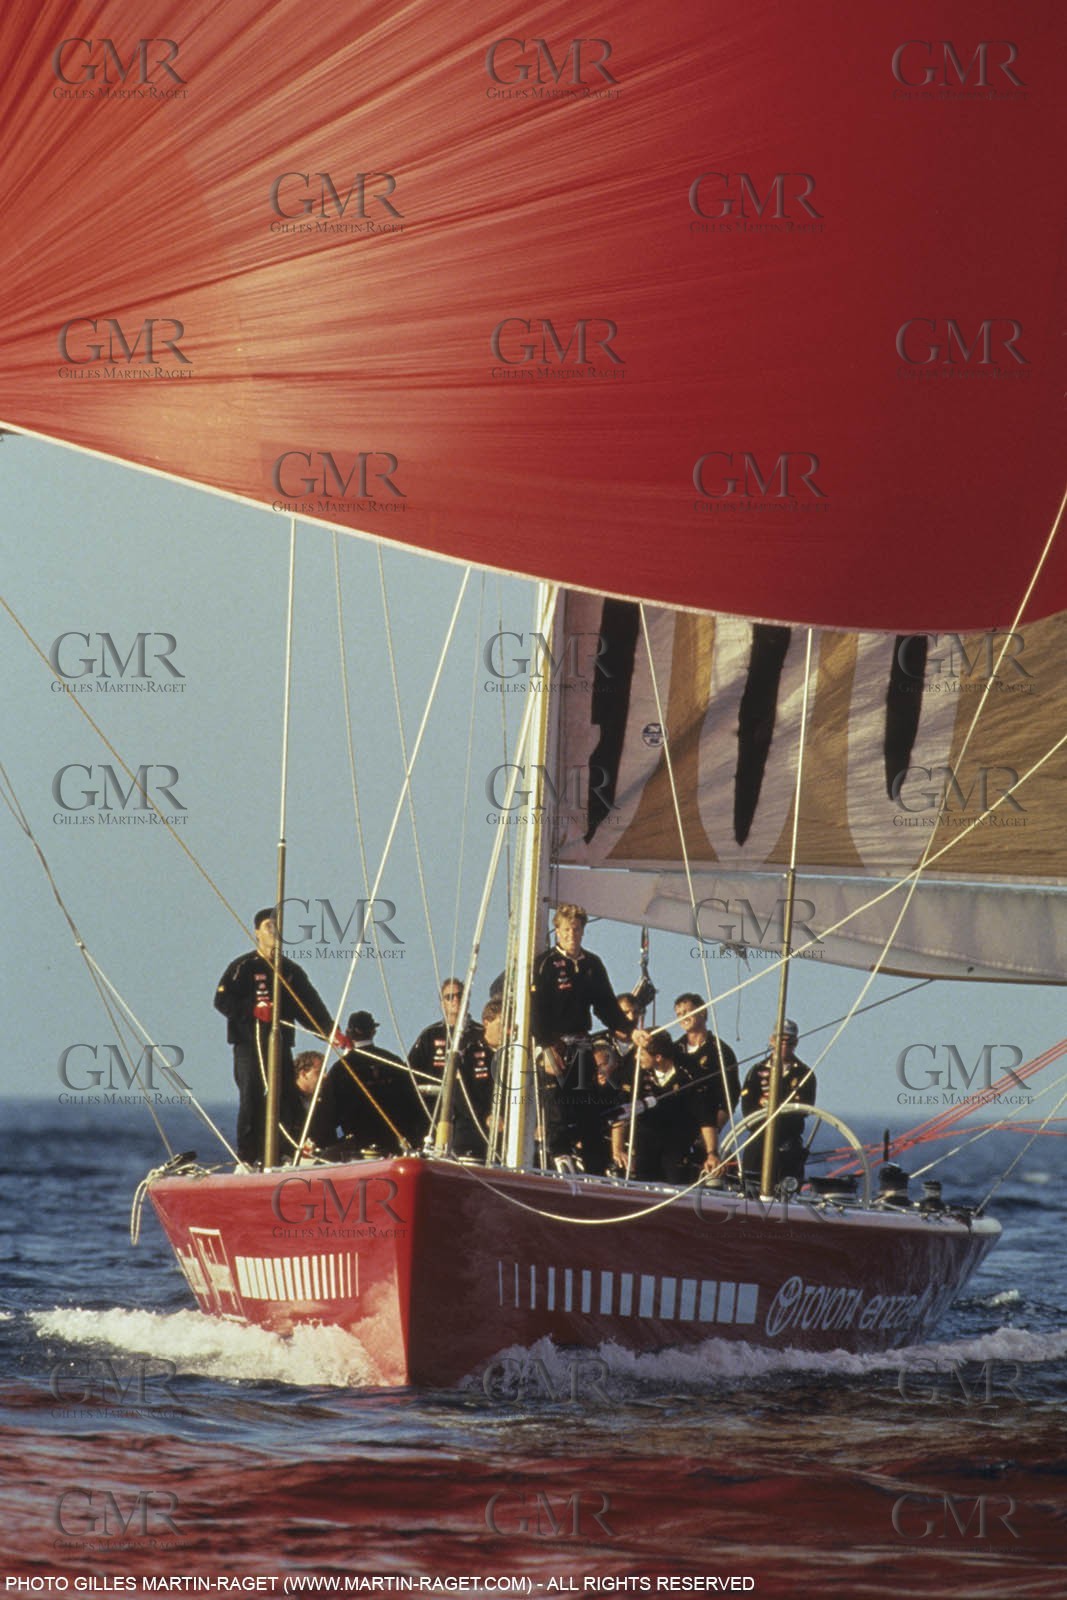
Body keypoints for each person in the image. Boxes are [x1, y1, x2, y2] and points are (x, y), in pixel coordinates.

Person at [214, 907, 348, 1165]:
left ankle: (287, 1152)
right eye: (268, 926)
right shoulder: (243, 966)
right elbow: (221, 1000)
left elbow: (309, 1006)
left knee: (287, 1099)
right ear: (256, 932)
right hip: (249, 1046)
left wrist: (330, 1031)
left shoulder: (290, 971)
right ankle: (249, 1158)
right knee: (253, 1098)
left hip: (281, 1044)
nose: (274, 930)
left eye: (278, 925)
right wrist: (252, 1009)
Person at [531, 904, 649, 1159]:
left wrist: (630, 1032)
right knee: (557, 1111)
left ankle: (595, 1166)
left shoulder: (592, 965)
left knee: (588, 1111)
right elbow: (536, 1010)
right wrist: (545, 1046)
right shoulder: (545, 965)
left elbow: (606, 1005)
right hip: (552, 1044)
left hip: (581, 1043)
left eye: (576, 929)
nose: (571, 934)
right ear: (557, 931)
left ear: (583, 931)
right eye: (566, 930)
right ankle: (557, 1159)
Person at [408, 978, 490, 1156]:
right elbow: (411, 1075)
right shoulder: (430, 1035)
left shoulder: (481, 1034)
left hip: (474, 1117)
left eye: (460, 996)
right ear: (442, 1003)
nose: (455, 1001)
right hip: (437, 1114)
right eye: (449, 997)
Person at [332, 1010, 426, 1154]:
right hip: (391, 1144)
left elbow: (328, 1111)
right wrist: (415, 1139)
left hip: (355, 1146)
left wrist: (325, 1140)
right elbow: (413, 1103)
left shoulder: (341, 1068)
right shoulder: (393, 1061)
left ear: (349, 1033)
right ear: (373, 1032)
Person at [739, 1019, 817, 1189]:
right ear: (772, 1040)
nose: (784, 1045)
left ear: (795, 1043)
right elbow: (748, 1107)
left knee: (788, 1189)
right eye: (780, 1040)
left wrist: (769, 1105)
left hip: (787, 1142)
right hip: (759, 1137)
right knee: (750, 1186)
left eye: (789, 1041)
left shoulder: (804, 1073)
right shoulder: (756, 1071)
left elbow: (803, 1109)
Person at [612, 1029, 697, 1183]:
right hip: (645, 1143)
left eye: (641, 1054)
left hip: (676, 1145)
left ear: (658, 1057)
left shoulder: (687, 1076)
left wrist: (711, 1151)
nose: (637, 1058)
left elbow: (704, 1115)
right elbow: (622, 1111)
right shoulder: (637, 1076)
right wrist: (617, 1150)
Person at [672, 992, 739, 1173]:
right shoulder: (674, 1050)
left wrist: (714, 1129)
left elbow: (730, 1097)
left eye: (687, 1011)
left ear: (702, 1012)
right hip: (676, 1125)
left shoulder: (721, 1052)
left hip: (707, 1127)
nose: (683, 1017)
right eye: (678, 1014)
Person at [288, 1050, 340, 1150]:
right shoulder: (285, 1102)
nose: (325, 1076)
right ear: (303, 1074)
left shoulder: (324, 1102)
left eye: (325, 1071)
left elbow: (336, 1130)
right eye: (319, 1072)